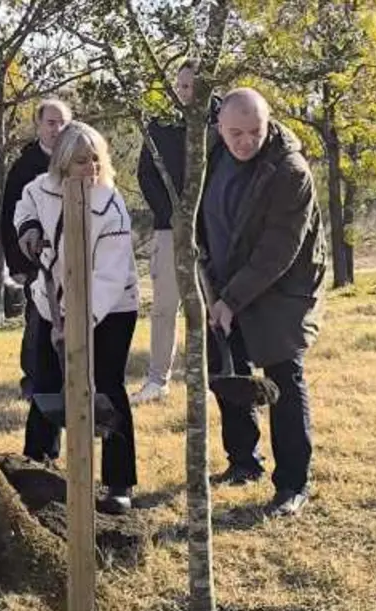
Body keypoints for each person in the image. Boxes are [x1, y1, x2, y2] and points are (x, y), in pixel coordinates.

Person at [199, 88, 326, 518]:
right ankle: (243, 461)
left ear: (268, 123)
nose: (246, 141)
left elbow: (278, 249)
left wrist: (231, 299)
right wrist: (215, 291)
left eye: (255, 131)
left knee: (282, 382)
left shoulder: (290, 171)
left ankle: (293, 483)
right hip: (223, 284)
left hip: (281, 289)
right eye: (236, 132)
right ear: (219, 126)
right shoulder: (210, 156)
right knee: (229, 372)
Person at [13, 122, 141, 515]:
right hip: (53, 303)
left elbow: (109, 275)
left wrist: (79, 324)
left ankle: (119, 483)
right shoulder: (41, 188)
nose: (89, 169)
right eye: (80, 161)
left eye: (95, 160)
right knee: (46, 382)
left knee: (107, 386)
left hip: (110, 309)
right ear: (63, 164)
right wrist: (30, 229)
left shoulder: (110, 205)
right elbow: (24, 207)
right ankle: (35, 466)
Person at [132, 60, 209, 405]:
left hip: (211, 232)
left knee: (211, 305)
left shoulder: (219, 123)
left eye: (189, 87)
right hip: (168, 230)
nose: (183, 93)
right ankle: (156, 381)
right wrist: (171, 215)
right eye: (179, 86)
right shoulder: (159, 125)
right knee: (164, 307)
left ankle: (213, 377)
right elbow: (146, 175)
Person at [1, 99, 72, 401]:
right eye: (51, 123)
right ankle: (32, 381)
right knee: (37, 322)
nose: (57, 129)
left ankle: (67, 379)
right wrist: (18, 262)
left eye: (62, 123)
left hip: (72, 259)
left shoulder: (77, 159)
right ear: (39, 125)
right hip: (36, 260)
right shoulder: (24, 166)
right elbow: (9, 217)